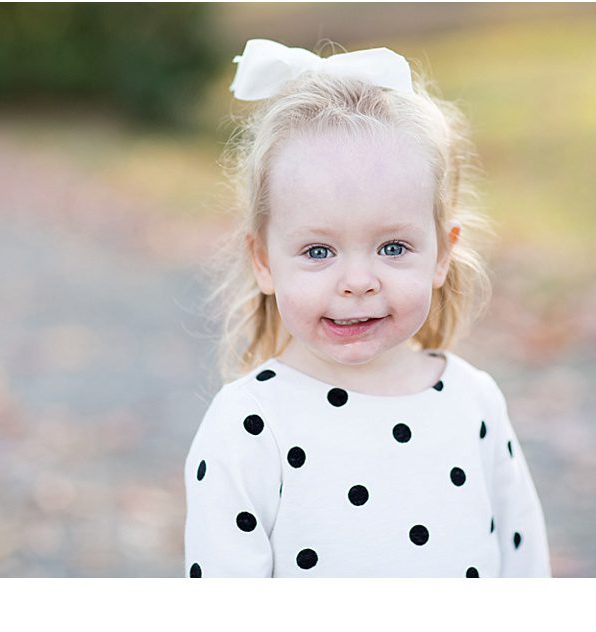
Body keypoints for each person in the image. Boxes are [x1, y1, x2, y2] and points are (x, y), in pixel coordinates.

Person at [183, 39, 550, 577]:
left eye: (393, 248)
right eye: (318, 251)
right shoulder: (250, 425)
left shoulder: (475, 403)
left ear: (442, 254)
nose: (358, 282)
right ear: (263, 261)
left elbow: (524, 564)